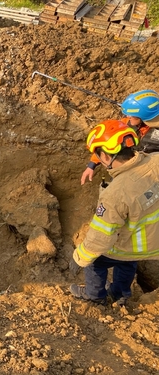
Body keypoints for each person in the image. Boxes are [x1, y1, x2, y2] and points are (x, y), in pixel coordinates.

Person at [69, 119, 159, 307]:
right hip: (152, 239)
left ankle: (95, 296)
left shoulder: (115, 194)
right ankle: (121, 293)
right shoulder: (156, 160)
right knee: (127, 261)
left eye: (97, 155)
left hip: (137, 245)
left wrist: (80, 257)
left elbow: (100, 236)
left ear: (106, 155)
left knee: (96, 261)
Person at [81, 89, 159, 185]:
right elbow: (108, 144)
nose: (128, 116)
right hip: (127, 166)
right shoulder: (126, 124)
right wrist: (91, 165)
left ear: (143, 116)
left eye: (131, 115)